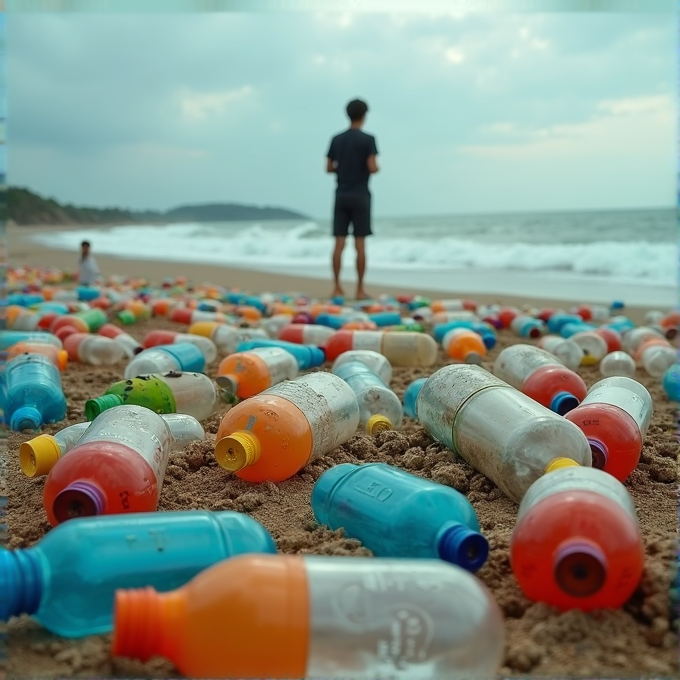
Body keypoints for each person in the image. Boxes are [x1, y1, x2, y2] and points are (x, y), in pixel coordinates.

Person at [326, 98, 379, 300]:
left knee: (339, 243)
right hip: (360, 195)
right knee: (360, 244)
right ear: (364, 116)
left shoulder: (336, 139)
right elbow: (372, 167)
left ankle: (337, 287)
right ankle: (359, 289)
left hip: (341, 194)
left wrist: (344, 167)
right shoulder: (368, 139)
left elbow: (329, 167)